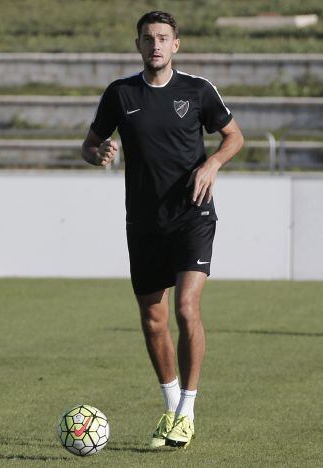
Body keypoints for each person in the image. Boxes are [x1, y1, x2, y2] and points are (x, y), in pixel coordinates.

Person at [81, 11, 243, 448]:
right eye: (148, 38)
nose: (156, 45)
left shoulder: (198, 90)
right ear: (138, 45)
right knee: (153, 320)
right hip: (144, 223)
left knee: (186, 309)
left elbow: (234, 137)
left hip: (193, 216)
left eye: (163, 38)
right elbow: (89, 143)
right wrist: (98, 153)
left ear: (176, 45)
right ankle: (171, 409)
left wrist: (211, 164)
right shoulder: (120, 93)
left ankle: (186, 413)